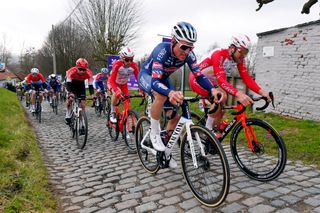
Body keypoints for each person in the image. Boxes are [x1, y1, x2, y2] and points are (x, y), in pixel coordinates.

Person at [138, 21, 221, 168]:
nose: (187, 51)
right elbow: (155, 83)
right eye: (184, 47)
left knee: (175, 116)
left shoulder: (189, 55)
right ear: (173, 41)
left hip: (163, 79)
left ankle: (166, 153)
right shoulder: (161, 51)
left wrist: (212, 90)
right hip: (148, 76)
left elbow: (199, 76)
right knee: (161, 95)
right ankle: (154, 133)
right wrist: (170, 92)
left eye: (191, 47)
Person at [189, 34, 271, 135]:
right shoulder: (219, 54)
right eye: (242, 52)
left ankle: (215, 133)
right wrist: (239, 94)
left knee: (222, 110)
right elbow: (221, 80)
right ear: (232, 48)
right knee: (221, 97)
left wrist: (262, 92)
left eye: (246, 52)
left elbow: (247, 78)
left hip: (212, 81)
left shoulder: (239, 59)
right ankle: (208, 132)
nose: (243, 56)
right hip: (197, 79)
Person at [108, 47, 139, 123]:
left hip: (124, 85)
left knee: (127, 102)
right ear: (122, 58)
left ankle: (124, 125)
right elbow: (112, 80)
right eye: (127, 60)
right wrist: (117, 91)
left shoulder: (134, 66)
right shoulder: (117, 64)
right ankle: (112, 112)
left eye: (131, 59)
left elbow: (139, 79)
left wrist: (142, 90)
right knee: (116, 93)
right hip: (113, 83)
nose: (129, 62)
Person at [65, 58, 94, 125]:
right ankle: (68, 113)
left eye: (84, 70)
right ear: (76, 67)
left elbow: (90, 86)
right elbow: (68, 85)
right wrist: (70, 93)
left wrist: (92, 95)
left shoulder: (89, 73)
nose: (82, 71)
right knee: (70, 98)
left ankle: (82, 123)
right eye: (80, 69)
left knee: (83, 104)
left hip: (81, 85)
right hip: (71, 84)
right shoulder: (71, 71)